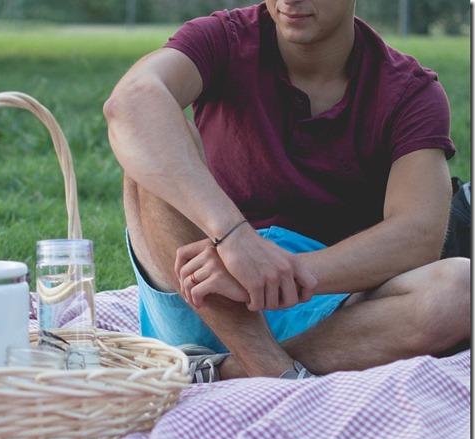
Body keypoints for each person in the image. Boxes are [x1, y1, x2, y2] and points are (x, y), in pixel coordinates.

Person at [103, 0, 471, 381]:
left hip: (326, 316)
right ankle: (273, 370)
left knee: (463, 290)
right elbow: (131, 103)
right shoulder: (224, 38)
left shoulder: (409, 91)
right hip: (199, 297)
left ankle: (222, 372)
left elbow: (419, 234)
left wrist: (275, 276)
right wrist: (234, 240)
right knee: (152, 144)